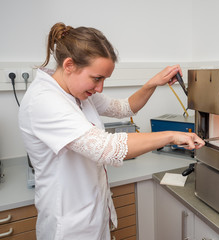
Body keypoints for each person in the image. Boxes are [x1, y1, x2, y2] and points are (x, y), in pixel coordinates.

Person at [18, 22, 205, 240]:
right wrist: (170, 135)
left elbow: (124, 108)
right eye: (97, 78)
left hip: (92, 211)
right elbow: (108, 149)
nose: (100, 88)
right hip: (68, 225)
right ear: (69, 65)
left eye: (104, 79)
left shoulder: (75, 91)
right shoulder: (44, 100)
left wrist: (153, 83)